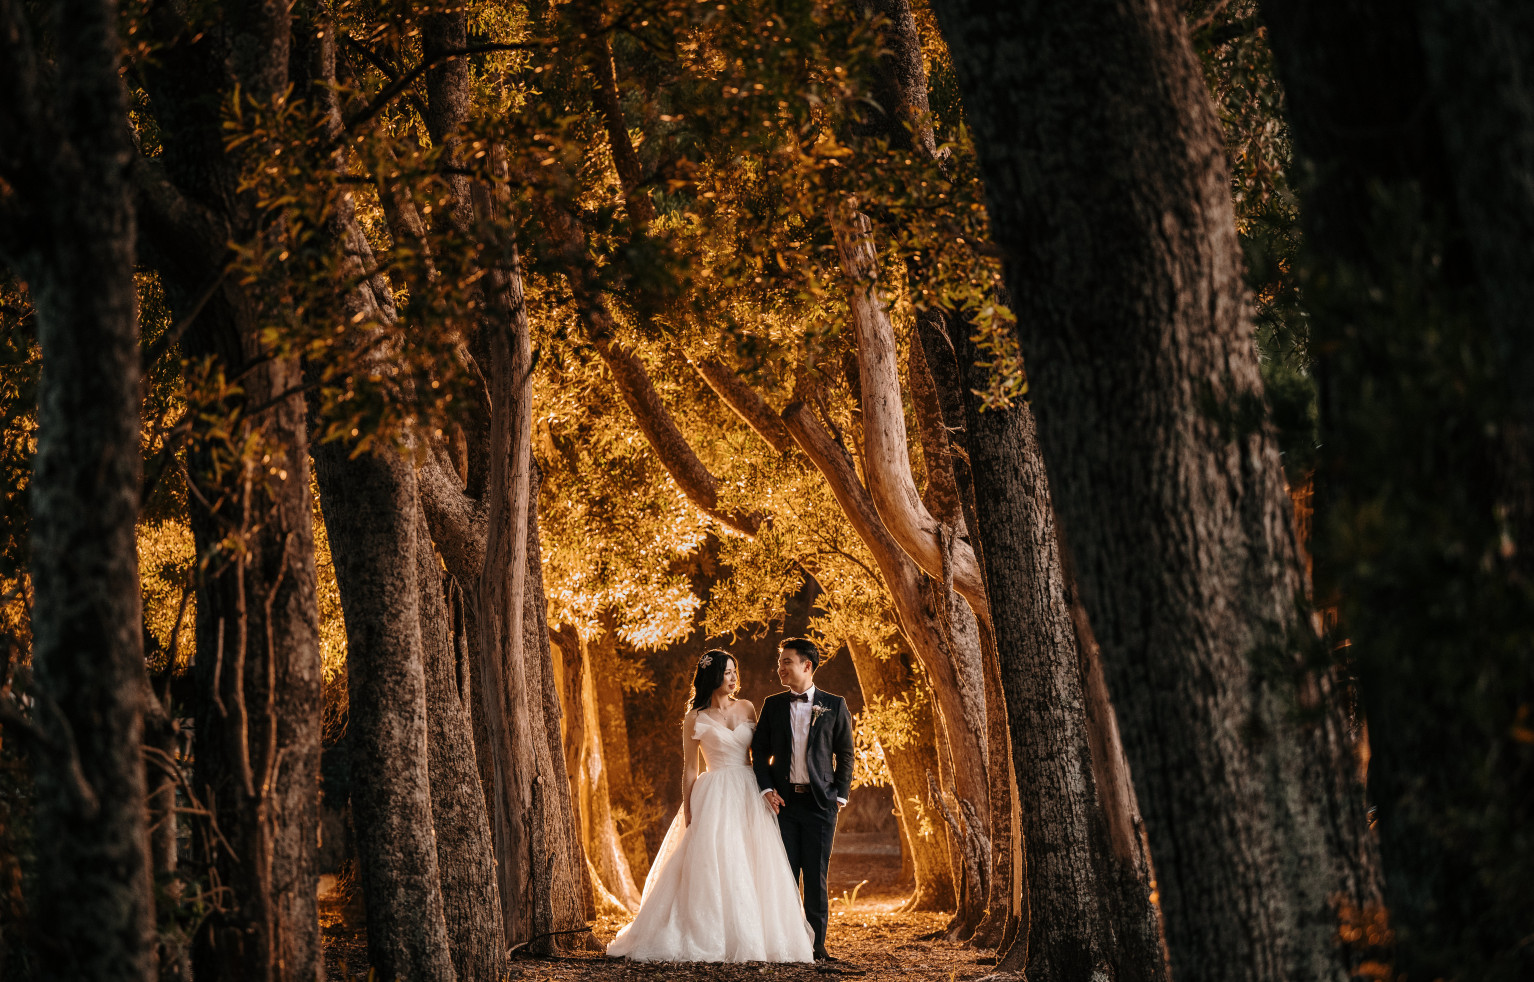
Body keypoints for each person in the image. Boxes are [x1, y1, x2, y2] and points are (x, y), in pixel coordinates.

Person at [606, 650, 815, 962]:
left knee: (753, 859)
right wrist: (689, 809)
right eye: (726, 673)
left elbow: (761, 753)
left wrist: (772, 786)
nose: (733, 679)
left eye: (734, 672)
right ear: (711, 677)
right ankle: (712, 934)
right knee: (717, 860)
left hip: (747, 789)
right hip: (714, 791)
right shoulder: (694, 717)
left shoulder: (747, 708)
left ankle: (760, 936)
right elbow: (690, 769)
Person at [751, 637, 855, 961]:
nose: (780, 668)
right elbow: (759, 752)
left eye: (786, 662)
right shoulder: (772, 705)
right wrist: (767, 790)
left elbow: (846, 754)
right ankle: (785, 944)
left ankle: (817, 947)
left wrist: (840, 795)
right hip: (783, 805)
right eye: (780, 662)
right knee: (783, 876)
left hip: (820, 806)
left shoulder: (835, 705)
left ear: (806, 665)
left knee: (815, 877)